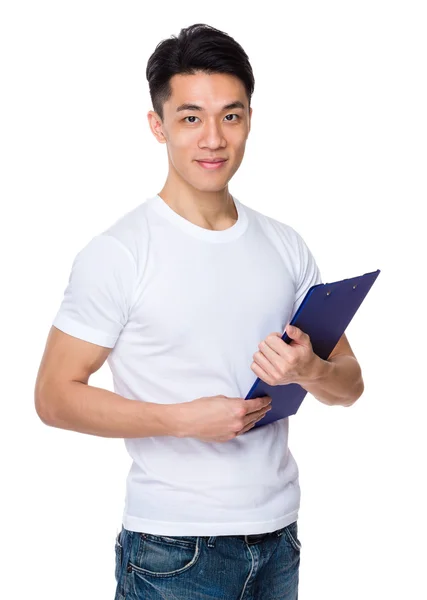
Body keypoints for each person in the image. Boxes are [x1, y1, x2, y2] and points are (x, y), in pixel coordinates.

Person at [34, 23, 364, 600]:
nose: (213, 138)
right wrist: (183, 419)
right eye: (191, 118)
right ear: (157, 125)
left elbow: (350, 385)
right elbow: (54, 396)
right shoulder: (120, 252)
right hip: (174, 549)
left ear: (249, 122)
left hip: (279, 539)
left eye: (230, 116)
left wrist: (310, 370)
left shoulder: (285, 245)